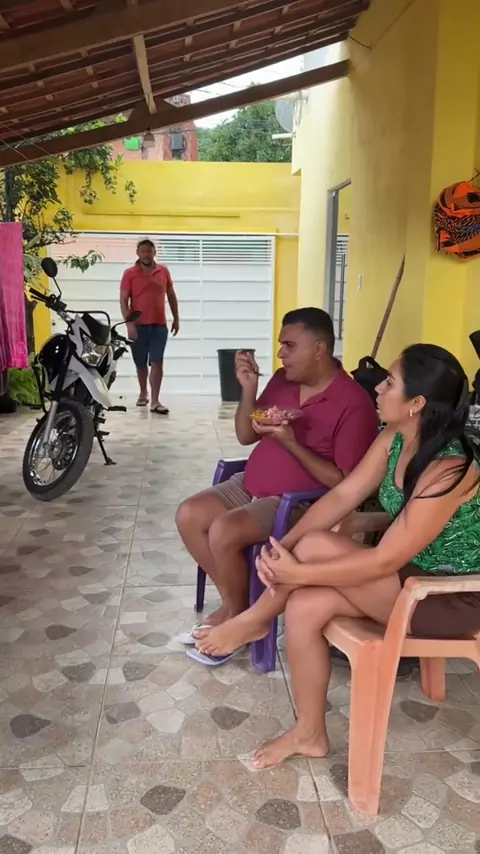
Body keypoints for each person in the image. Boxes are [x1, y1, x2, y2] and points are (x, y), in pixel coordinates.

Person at [197, 343, 480, 770]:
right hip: (407, 573)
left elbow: (384, 561)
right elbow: (343, 496)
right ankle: (309, 732)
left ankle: (258, 619)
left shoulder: (451, 468)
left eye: (389, 383)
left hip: (447, 595)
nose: (378, 389)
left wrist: (294, 570)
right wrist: (283, 549)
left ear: (417, 403)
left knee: (312, 557)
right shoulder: (395, 437)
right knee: (305, 601)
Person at [176, 307, 378, 636]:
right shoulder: (284, 380)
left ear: (319, 349)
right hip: (250, 483)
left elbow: (345, 485)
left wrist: (291, 443)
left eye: (289, 346)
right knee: (189, 514)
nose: (281, 353)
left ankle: (241, 618)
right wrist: (248, 389)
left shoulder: (353, 403)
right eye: (281, 344)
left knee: (224, 531)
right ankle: (237, 604)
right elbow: (246, 436)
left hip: (295, 502)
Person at [120, 237, 179, 414]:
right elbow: (124, 300)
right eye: (143, 251)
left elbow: (171, 295)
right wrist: (129, 324)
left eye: (149, 251)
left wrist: (176, 318)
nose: (146, 254)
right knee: (140, 363)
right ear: (138, 253)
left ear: (154, 252)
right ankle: (143, 392)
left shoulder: (163, 271)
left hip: (159, 326)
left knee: (157, 362)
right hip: (138, 326)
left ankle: (155, 400)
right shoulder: (130, 273)